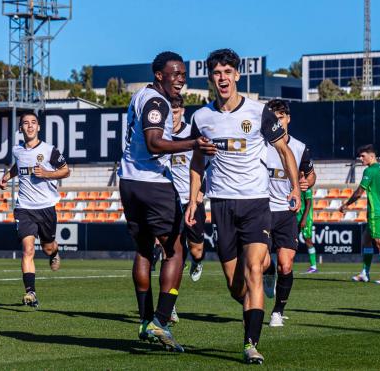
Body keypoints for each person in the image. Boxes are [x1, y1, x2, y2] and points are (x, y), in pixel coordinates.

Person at [185, 49, 300, 364]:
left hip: (255, 204)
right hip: (221, 205)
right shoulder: (201, 117)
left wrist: (295, 189)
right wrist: (195, 198)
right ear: (211, 78)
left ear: (237, 75)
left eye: (227, 72)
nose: (222, 78)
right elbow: (197, 160)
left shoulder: (259, 112)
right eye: (217, 73)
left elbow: (285, 152)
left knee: (252, 273)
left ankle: (251, 344)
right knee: (236, 288)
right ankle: (261, 278)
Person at [118, 51, 215, 351]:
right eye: (176, 73)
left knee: (145, 250)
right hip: (152, 183)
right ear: (159, 75)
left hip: (129, 181)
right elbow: (154, 143)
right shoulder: (157, 101)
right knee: (175, 252)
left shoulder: (141, 96)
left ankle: (147, 321)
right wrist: (193, 143)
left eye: (184, 74)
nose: (181, 79)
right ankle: (159, 321)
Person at [0, 112, 70, 308]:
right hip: (24, 208)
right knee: (28, 250)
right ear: (20, 128)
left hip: (46, 207)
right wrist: (6, 176)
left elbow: (66, 170)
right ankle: (30, 292)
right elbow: (18, 166)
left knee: (47, 248)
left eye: (33, 123)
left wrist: (47, 173)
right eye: (25, 124)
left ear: (38, 127)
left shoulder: (49, 150)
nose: (29, 126)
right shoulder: (17, 150)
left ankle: (54, 253)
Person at [262, 99, 316, 327]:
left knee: (287, 263)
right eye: (274, 118)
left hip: (286, 211)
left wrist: (306, 183)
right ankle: (268, 271)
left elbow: (311, 175)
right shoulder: (260, 144)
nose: (278, 122)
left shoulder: (300, 147)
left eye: (281, 117)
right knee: (264, 262)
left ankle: (277, 312)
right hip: (261, 209)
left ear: (288, 118)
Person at [339, 144, 380, 284]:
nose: (360, 158)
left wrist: (346, 205)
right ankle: (364, 273)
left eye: (363, 156)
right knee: (366, 239)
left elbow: (359, 192)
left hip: (375, 212)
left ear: (372, 156)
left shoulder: (369, 171)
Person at [169, 95, 206, 282]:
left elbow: (207, 166)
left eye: (175, 112)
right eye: (169, 112)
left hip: (191, 199)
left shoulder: (193, 134)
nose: (173, 116)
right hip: (168, 201)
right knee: (172, 253)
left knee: (196, 249)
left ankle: (198, 260)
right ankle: (169, 303)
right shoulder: (159, 135)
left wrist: (201, 191)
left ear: (182, 111)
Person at [298, 186, 317, 273]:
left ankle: (313, 266)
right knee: (291, 239)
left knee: (308, 240)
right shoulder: (294, 185)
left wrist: (304, 219)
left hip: (306, 218)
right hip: (296, 216)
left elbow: (308, 204)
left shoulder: (306, 187)